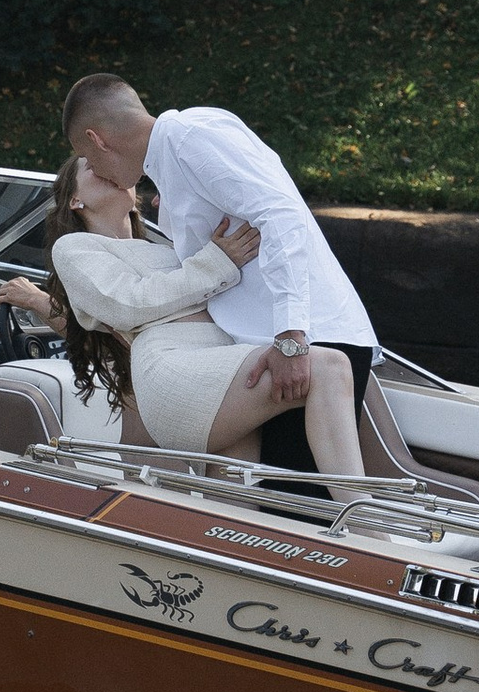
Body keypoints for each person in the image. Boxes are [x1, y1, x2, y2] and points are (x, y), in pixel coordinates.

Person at [56, 77, 374, 483]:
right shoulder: (173, 163)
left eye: (85, 156)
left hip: (301, 336)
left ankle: (370, 540)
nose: (100, 171)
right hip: (266, 342)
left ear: (97, 140)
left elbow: (280, 216)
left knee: (303, 515)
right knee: (282, 510)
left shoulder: (192, 137)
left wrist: (291, 336)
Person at [0, 156, 261, 441]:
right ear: (75, 200)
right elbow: (117, 314)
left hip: (221, 365)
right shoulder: (76, 251)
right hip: (178, 385)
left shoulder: (167, 250)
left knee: (247, 476)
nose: (107, 167)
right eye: (93, 166)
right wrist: (38, 300)